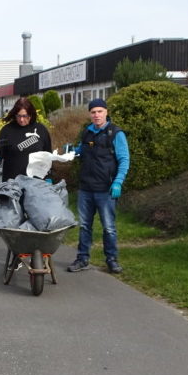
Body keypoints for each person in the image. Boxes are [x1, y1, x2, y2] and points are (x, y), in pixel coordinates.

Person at [67, 98, 130, 274]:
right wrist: (73, 151)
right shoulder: (87, 133)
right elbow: (82, 150)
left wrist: (118, 182)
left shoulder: (115, 134)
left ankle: (111, 259)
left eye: (100, 111)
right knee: (84, 226)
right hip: (86, 188)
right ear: (90, 114)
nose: (96, 115)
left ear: (106, 112)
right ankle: (82, 258)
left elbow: (124, 159)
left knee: (108, 227)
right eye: (93, 112)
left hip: (106, 189)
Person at [0, 97, 52, 181]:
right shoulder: (7, 131)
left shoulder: (41, 130)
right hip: (12, 184)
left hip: (36, 183)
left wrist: (49, 176)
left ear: (30, 114)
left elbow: (48, 155)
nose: (21, 119)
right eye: (18, 116)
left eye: (24, 116)